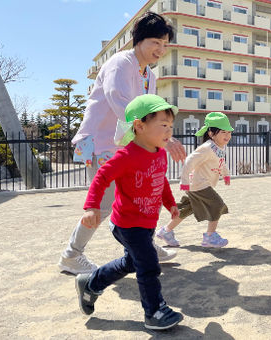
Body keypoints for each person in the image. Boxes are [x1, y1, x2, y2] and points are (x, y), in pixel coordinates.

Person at [59, 12, 186, 275]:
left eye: (165, 44)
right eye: (155, 42)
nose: (160, 49)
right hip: (100, 142)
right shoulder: (120, 63)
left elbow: (151, 111)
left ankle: (144, 248)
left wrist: (160, 137)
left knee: (136, 199)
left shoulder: (149, 75)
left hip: (125, 144)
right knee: (105, 204)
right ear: (138, 40)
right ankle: (71, 255)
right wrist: (165, 138)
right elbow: (125, 108)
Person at [75, 94, 183, 330]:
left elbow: (161, 179)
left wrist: (170, 203)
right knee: (149, 265)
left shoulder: (160, 152)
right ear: (139, 126)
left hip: (147, 223)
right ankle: (154, 312)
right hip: (127, 224)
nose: (168, 132)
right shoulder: (126, 155)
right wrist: (91, 206)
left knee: (131, 262)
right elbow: (102, 177)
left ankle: (90, 284)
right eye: (163, 125)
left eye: (171, 126)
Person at [156, 112, 233, 248]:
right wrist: (184, 181)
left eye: (229, 132)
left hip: (198, 185)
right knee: (217, 204)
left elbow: (221, 162)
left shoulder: (217, 147)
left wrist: (225, 174)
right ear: (211, 134)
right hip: (198, 184)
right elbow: (189, 161)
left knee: (188, 208)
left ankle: (166, 231)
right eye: (223, 132)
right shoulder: (207, 147)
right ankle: (210, 236)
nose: (227, 135)